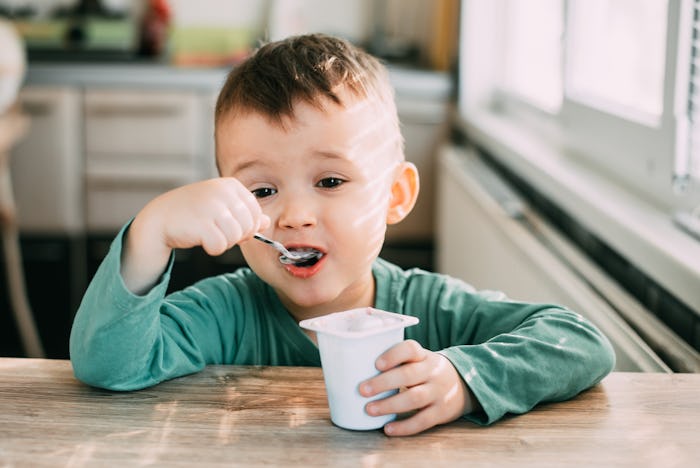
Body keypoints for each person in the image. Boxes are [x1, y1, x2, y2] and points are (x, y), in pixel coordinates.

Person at [70, 33, 615, 437]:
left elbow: (580, 343)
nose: (295, 216)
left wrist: (463, 377)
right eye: (261, 191)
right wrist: (151, 233)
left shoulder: (435, 311)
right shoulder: (226, 313)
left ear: (395, 196)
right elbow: (106, 364)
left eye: (330, 181)